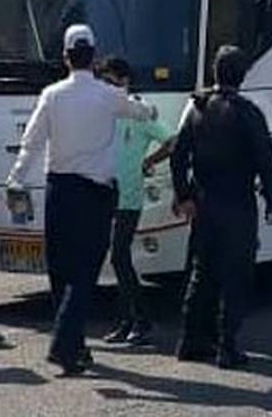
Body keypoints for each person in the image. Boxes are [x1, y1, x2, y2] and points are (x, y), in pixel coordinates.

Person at [5, 25, 156, 377]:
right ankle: (65, 345)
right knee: (85, 273)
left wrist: (16, 179)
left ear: (65, 57)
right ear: (94, 56)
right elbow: (145, 112)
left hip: (59, 191)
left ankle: (74, 347)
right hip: (96, 194)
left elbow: (31, 142)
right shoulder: (108, 95)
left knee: (61, 270)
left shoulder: (51, 95)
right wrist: (143, 105)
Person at [171, 45, 272, 369]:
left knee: (201, 271)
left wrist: (184, 194)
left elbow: (178, 156)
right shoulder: (246, 112)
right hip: (237, 202)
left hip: (204, 201)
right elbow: (266, 158)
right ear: (242, 76)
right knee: (235, 275)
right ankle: (227, 345)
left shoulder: (198, 108)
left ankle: (191, 339)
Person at [97, 57, 174, 347]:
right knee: (117, 260)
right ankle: (127, 321)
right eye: (103, 81)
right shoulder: (104, 112)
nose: (107, 87)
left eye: (111, 81)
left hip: (129, 197)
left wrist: (149, 161)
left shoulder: (139, 110)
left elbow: (172, 140)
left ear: (125, 81)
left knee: (119, 257)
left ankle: (140, 320)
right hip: (106, 194)